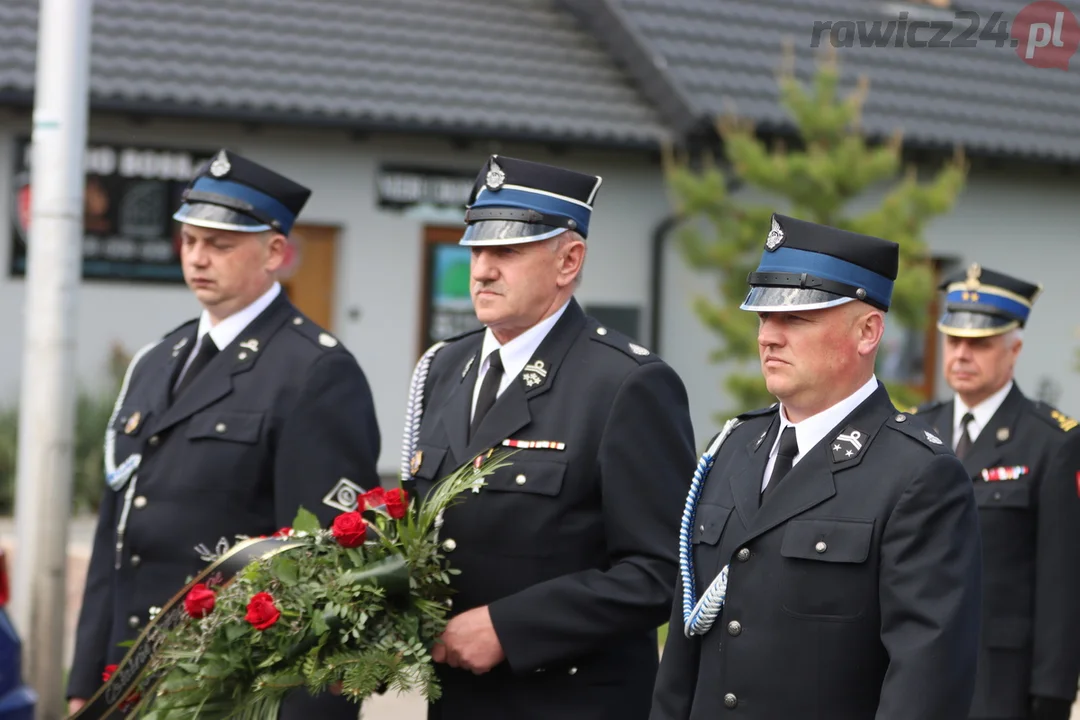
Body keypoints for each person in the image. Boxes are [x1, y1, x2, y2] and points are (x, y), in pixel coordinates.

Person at [67, 149, 380, 719]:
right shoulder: (158, 359)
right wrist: (85, 681)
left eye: (220, 244)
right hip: (129, 678)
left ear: (276, 253)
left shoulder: (314, 371)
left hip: (234, 690)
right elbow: (117, 536)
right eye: (189, 242)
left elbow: (327, 569)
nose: (198, 258)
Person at [650, 214, 983, 719]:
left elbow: (924, 685)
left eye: (796, 319)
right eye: (764, 317)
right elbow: (683, 651)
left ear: (868, 331)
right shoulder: (734, 446)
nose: (768, 337)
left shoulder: (917, 474)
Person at [400, 155, 696, 720]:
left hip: (567, 702)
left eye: (506, 251)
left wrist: (509, 628)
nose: (483, 269)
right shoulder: (445, 366)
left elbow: (661, 572)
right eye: (476, 250)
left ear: (569, 260)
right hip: (457, 701)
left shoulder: (625, 384)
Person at [912, 264, 1080, 720]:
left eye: (980, 343)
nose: (962, 355)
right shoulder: (913, 432)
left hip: (1002, 680)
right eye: (954, 341)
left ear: (1015, 349)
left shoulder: (1053, 441)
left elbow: (1061, 582)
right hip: (914, 674)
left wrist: (1053, 691)